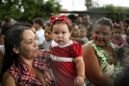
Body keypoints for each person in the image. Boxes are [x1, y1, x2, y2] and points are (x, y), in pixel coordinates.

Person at [49, 15, 85, 86]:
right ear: (52, 33)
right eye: (56, 33)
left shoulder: (73, 46)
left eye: (63, 32)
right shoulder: (53, 45)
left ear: (69, 33)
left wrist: (81, 76)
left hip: (72, 80)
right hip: (59, 80)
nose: (60, 36)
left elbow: (79, 62)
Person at [83, 17, 119, 86]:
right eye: (97, 32)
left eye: (104, 34)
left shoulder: (113, 47)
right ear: (92, 33)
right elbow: (99, 79)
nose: (100, 36)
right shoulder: (88, 48)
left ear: (111, 35)